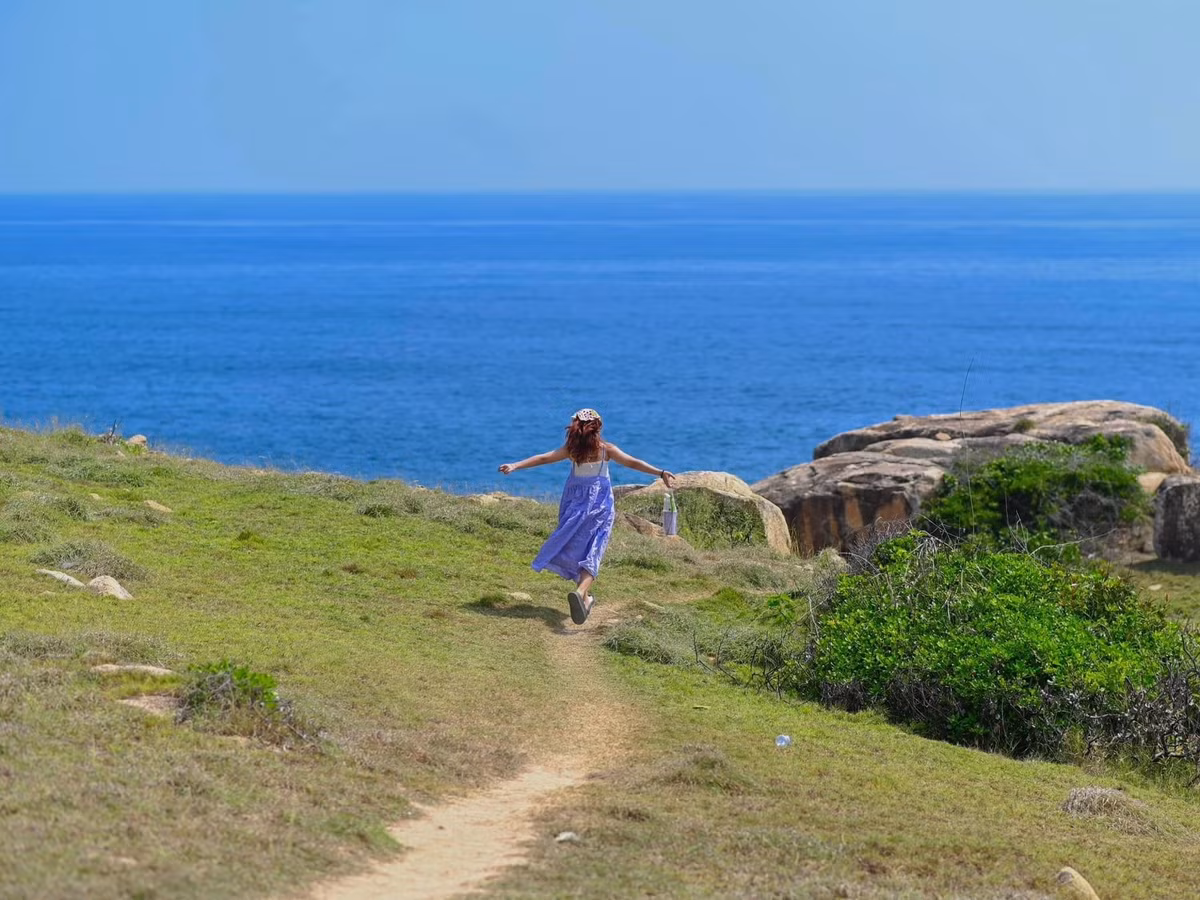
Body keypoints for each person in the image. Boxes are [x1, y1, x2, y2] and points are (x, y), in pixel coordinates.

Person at [498, 408, 676, 625]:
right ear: (598, 428)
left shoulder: (572, 451)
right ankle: (582, 591)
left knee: (573, 544)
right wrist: (660, 472)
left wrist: (515, 465)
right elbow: (632, 462)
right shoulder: (606, 450)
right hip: (600, 508)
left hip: (575, 507)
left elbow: (544, 458)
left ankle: (584, 596)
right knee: (595, 548)